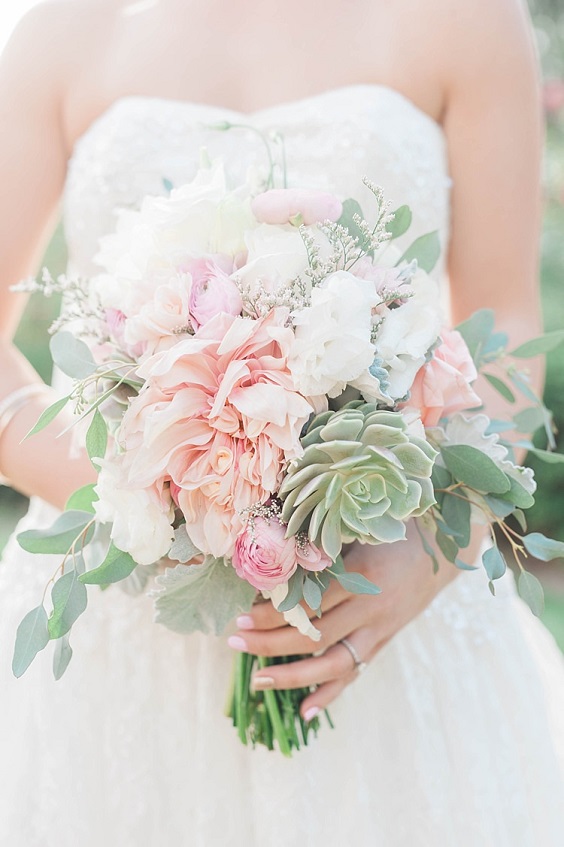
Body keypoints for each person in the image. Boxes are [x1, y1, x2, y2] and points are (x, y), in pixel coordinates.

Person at [0, 0, 563, 843]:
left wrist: (429, 552)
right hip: (117, 624)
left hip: (380, 596)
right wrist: (161, 499)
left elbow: (507, 320)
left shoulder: (469, 18)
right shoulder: (60, 27)